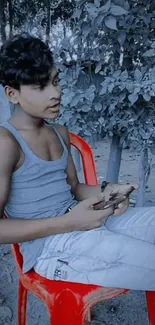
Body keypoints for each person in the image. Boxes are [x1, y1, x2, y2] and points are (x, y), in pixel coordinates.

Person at [0, 34, 154, 291]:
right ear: (12, 94)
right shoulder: (6, 142)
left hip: (85, 220)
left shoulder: (59, 132)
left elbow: (74, 188)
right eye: (40, 87)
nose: (55, 93)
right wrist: (69, 223)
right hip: (50, 247)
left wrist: (108, 191)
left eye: (56, 82)